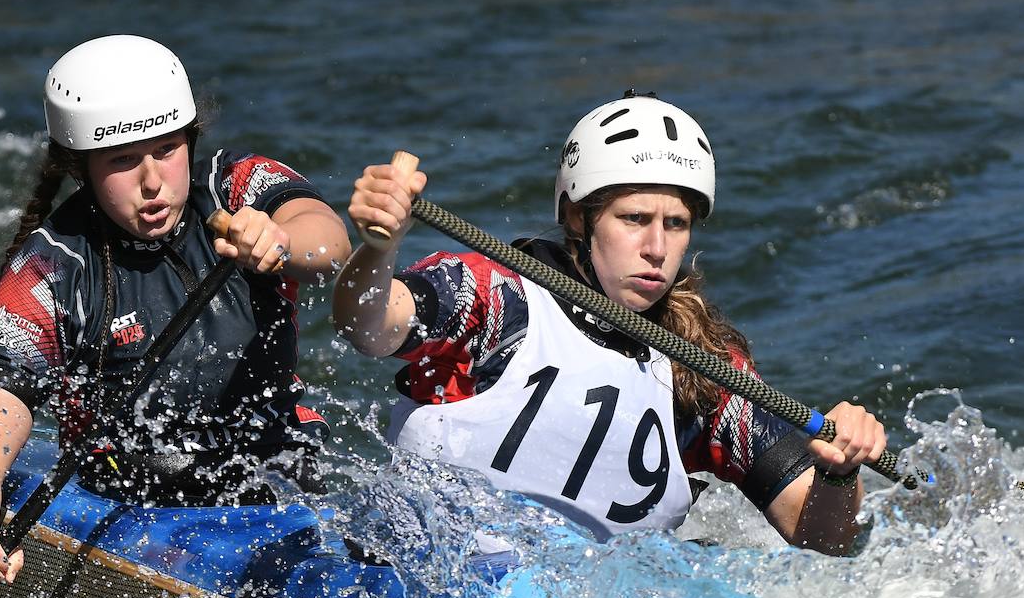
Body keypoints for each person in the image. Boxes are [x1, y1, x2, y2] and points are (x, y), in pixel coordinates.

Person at [334, 91, 886, 556]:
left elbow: (822, 539)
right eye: (634, 219)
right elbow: (369, 326)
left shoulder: (706, 367)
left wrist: (840, 473)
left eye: (676, 224)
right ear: (579, 216)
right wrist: (379, 251)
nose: (656, 249)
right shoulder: (494, 293)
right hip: (429, 559)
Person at [0, 35, 350, 596]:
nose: (153, 181)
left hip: (273, 489)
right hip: (128, 502)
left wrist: (281, 240)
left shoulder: (238, 187)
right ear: (81, 167)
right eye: (123, 160)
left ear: (191, 139)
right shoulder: (46, 268)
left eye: (167, 149)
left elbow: (328, 242)